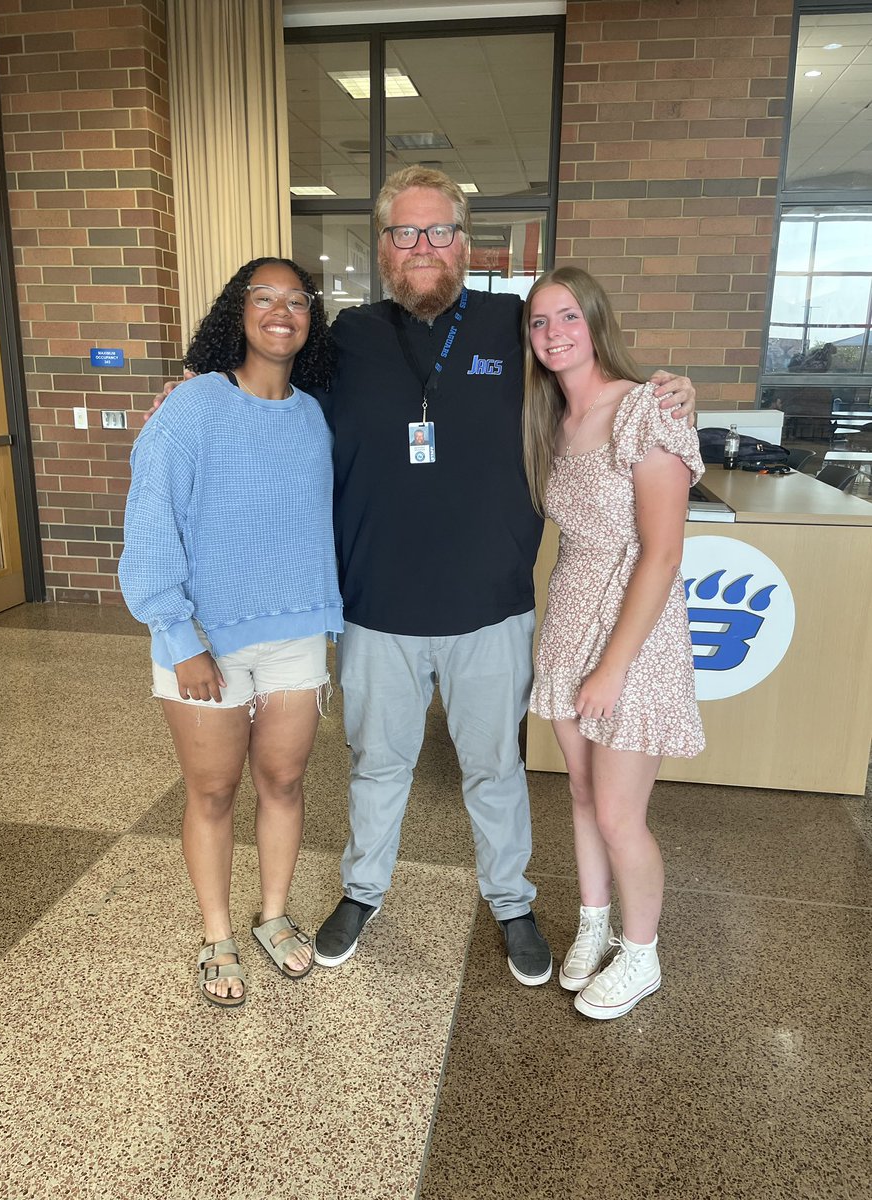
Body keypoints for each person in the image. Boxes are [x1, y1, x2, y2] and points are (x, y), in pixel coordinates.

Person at [151, 167, 697, 986]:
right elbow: (262, 384)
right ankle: (362, 892)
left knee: (495, 769)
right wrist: (194, 387)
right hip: (377, 609)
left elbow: (592, 371)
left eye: (439, 232)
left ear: (465, 243)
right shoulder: (345, 341)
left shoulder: (515, 328)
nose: (423, 248)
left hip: (492, 611)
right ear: (382, 249)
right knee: (377, 765)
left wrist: (673, 388)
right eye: (404, 234)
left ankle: (511, 900)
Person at [120, 257, 342, 1008]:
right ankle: (217, 933)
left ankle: (272, 917)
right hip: (204, 641)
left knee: (283, 780)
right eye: (264, 297)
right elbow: (149, 521)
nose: (282, 311)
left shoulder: (313, 415)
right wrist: (177, 636)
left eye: (297, 300)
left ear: (311, 318)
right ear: (236, 312)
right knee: (213, 791)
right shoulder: (192, 407)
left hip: (295, 635)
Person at [522, 266, 705, 1018]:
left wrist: (613, 667)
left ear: (596, 322)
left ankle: (641, 953)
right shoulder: (550, 419)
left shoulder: (646, 411)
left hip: (636, 628)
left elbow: (662, 553)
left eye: (568, 316)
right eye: (539, 322)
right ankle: (593, 923)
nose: (554, 333)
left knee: (620, 813)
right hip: (570, 611)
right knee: (582, 793)